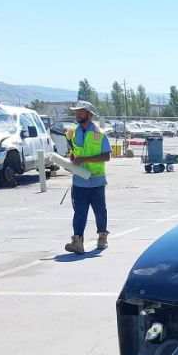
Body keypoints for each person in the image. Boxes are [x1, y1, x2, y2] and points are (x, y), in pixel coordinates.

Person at [63, 101, 111, 254]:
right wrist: (72, 158)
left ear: (90, 115)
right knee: (79, 213)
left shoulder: (99, 134)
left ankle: (102, 237)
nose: (78, 114)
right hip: (79, 181)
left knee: (100, 211)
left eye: (81, 112)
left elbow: (106, 156)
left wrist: (84, 160)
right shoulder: (71, 133)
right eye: (77, 112)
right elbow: (73, 151)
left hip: (96, 180)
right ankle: (78, 242)